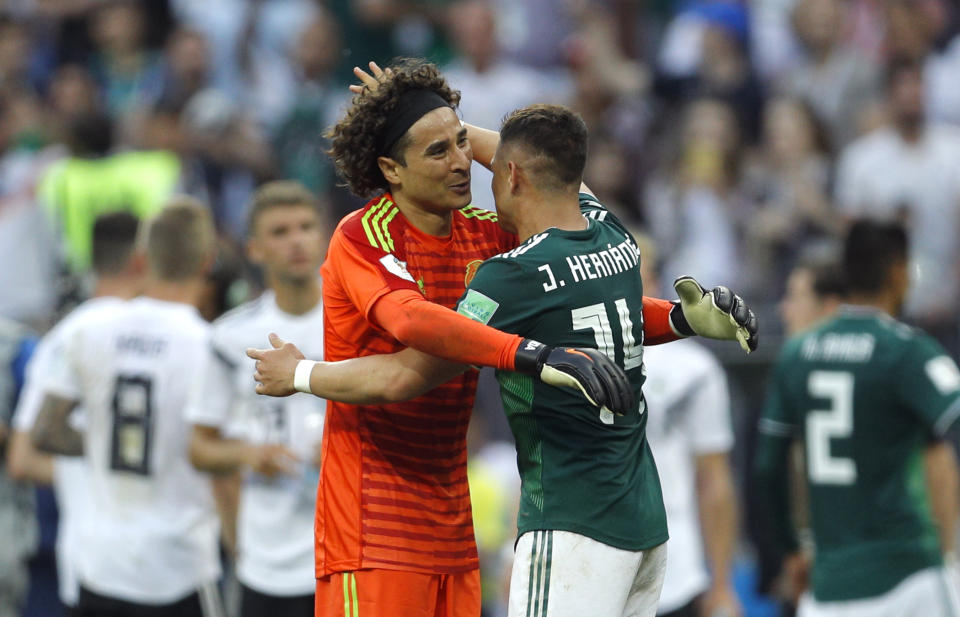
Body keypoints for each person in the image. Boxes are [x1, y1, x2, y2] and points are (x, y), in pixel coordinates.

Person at [250, 103, 758, 617]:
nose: (462, 161)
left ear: (510, 172)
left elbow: (411, 370)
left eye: (462, 144)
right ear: (391, 168)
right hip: (377, 526)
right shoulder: (609, 235)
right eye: (438, 149)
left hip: (527, 521)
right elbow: (411, 326)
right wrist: (676, 320)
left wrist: (298, 373)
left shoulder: (503, 255)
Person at [755, 220, 960, 617]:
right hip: (906, 575)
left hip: (828, 585)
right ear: (899, 273)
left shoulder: (798, 355)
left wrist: (792, 550)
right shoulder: (906, 352)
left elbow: (767, 468)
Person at [31, 199, 225, 617]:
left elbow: (45, 432)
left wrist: (104, 442)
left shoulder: (87, 330)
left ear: (141, 260)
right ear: (206, 262)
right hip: (178, 565)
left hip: (100, 564)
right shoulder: (210, 347)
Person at [186, 181, 327, 617]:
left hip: (346, 553)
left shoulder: (359, 325)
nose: (297, 240)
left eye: (305, 227)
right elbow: (198, 446)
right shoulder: (229, 338)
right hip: (265, 561)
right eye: (280, 232)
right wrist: (249, 453)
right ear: (255, 249)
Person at [7, 212, 143, 614]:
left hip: (92, 565)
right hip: (142, 566)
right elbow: (24, 457)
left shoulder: (62, 337)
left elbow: (22, 459)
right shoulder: (79, 336)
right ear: (141, 259)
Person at [636, 236, 742, 617]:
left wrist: (722, 583)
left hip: (675, 564)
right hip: (591, 560)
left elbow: (714, 480)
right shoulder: (569, 355)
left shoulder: (693, 370)